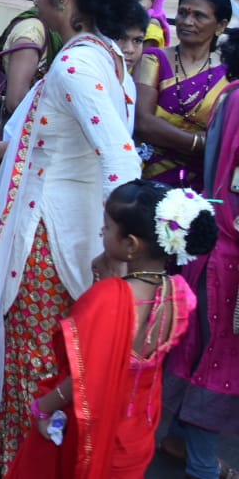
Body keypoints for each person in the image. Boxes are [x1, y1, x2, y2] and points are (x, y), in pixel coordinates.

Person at [0, 0, 145, 472]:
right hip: (68, 230)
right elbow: (41, 139)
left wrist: (118, 251)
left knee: (34, 358)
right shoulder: (104, 55)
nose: (35, 2)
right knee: (47, 356)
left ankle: (23, 462)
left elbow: (123, 161)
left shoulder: (78, 64)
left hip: (50, 239)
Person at [5, 182, 215, 478]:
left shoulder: (110, 299)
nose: (101, 233)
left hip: (96, 426)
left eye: (106, 227)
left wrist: (43, 407)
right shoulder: (178, 293)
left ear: (131, 244)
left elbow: (86, 377)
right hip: (137, 429)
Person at [160, 29, 239, 479]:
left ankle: (176, 441)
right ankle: (204, 464)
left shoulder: (228, 93)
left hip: (209, 239)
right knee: (219, 360)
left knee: (194, 350)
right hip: (230, 256)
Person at [135, 0, 233, 190]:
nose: (187, 22)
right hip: (150, 177)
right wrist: (205, 144)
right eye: (182, 13)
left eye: (199, 16)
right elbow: (143, 123)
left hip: (204, 182)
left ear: (221, 26)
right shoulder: (154, 59)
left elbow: (231, 134)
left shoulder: (229, 73)